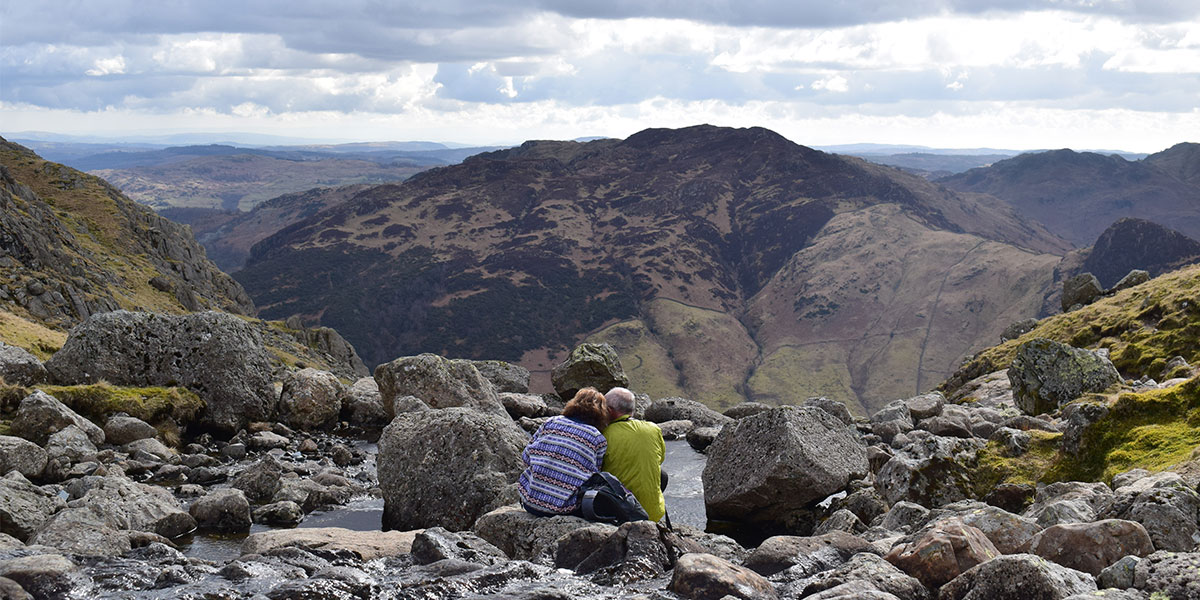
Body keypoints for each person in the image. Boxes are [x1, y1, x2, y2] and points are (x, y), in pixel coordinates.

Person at [518, 387, 610, 516]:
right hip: (563, 508)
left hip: (530, 501)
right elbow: (595, 475)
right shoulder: (597, 438)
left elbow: (526, 457)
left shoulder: (551, 422)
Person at [601, 387, 667, 523]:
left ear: (609, 411)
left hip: (620, 516)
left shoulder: (603, 434)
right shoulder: (653, 429)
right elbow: (660, 460)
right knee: (661, 474)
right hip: (653, 514)